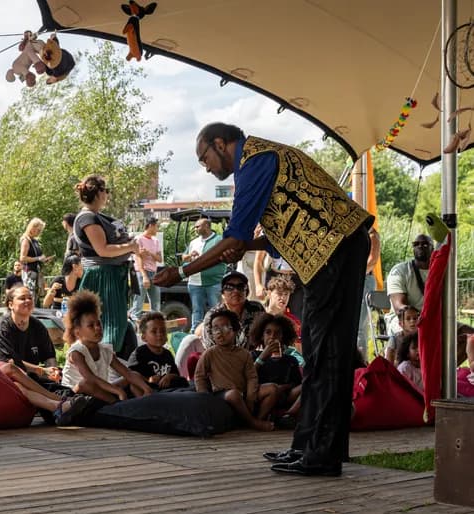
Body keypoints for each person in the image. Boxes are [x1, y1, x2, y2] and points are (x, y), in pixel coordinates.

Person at [155, 122, 373, 476]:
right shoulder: (261, 159)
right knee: (319, 353)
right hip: (333, 251)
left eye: (203, 157)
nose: (205, 166)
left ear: (221, 143)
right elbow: (260, 239)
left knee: (327, 353)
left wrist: (181, 272)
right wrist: (239, 245)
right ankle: (309, 447)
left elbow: (235, 237)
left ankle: (322, 454)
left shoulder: (256, 160)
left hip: (334, 250)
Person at [73, 175, 141, 357]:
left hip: (112, 275)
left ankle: (115, 366)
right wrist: (130, 247)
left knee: (117, 325)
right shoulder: (86, 218)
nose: (108, 195)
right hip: (102, 277)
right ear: (99, 192)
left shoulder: (97, 216)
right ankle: (105, 368)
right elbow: (102, 250)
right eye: (106, 191)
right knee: (108, 327)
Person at [60, 290, 152, 403]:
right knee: (85, 384)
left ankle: (145, 401)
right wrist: (118, 391)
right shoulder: (76, 352)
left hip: (100, 390)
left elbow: (127, 373)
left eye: (98, 323)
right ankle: (115, 405)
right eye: (91, 326)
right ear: (78, 332)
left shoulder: (105, 350)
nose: (97, 328)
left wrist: (146, 388)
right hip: (74, 395)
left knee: (132, 376)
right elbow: (90, 378)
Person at [194, 310, 276, 431]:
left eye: (224, 327)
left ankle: (255, 418)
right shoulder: (210, 353)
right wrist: (205, 397)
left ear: (235, 330)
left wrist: (250, 397)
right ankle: (253, 423)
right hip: (223, 394)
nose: (219, 332)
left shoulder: (244, 354)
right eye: (215, 328)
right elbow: (199, 376)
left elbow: (251, 377)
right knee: (233, 394)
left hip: (244, 393)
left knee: (272, 389)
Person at [0, 285, 61, 385]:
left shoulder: (38, 326)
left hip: (26, 377)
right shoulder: (2, 328)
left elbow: (49, 356)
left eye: (30, 298)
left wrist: (53, 373)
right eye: (22, 298)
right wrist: (41, 370)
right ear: (11, 305)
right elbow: (6, 364)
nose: (27, 301)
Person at [249, 313, 303, 428]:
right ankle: (257, 421)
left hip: (286, 395)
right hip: (263, 394)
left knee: (309, 384)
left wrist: (284, 387)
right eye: (268, 332)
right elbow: (248, 377)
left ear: (283, 336)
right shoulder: (253, 355)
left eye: (277, 333)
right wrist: (263, 357)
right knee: (273, 388)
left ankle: (288, 416)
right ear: (261, 335)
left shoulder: (290, 360)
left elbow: (296, 383)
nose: (272, 336)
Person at [199, 271, 265, 349]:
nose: (235, 291)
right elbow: (210, 346)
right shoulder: (213, 315)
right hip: (222, 357)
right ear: (223, 293)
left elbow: (265, 337)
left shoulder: (257, 309)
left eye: (240, 287)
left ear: (246, 292)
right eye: (229, 287)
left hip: (253, 358)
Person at [127, 312, 187, 390]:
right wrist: (148, 380)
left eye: (163, 331)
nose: (159, 334)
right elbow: (131, 377)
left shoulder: (167, 354)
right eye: (154, 331)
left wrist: (169, 376)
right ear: (144, 337)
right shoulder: (138, 354)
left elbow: (176, 375)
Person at [183, 217, 225, 329]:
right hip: (195, 282)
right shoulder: (193, 242)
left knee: (216, 310)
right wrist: (189, 255)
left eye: (198, 226)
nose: (195, 228)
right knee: (197, 310)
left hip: (213, 282)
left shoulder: (218, 240)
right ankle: (195, 333)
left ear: (206, 226)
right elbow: (184, 257)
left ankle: (218, 331)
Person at [386, 234, 431, 334]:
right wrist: (419, 318)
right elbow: (399, 308)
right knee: (414, 330)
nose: (420, 246)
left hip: (431, 319)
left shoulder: (441, 270)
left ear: (433, 248)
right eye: (416, 244)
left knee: (466, 333)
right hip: (404, 319)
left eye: (425, 244)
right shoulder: (399, 271)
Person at [129, 217, 163, 321]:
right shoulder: (139, 239)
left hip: (153, 273)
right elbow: (138, 258)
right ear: (151, 226)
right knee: (138, 303)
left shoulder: (156, 241)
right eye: (156, 227)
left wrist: (149, 253)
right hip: (141, 273)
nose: (157, 229)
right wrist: (144, 276)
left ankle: (154, 325)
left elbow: (160, 259)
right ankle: (134, 329)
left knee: (156, 304)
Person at [357, 227, 381, 358]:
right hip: (353, 281)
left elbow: (372, 261)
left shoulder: (372, 234)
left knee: (359, 327)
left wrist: (353, 275)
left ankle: (361, 363)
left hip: (364, 279)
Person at [19, 217, 53, 305]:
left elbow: (37, 257)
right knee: (30, 296)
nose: (39, 232)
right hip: (29, 272)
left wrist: (44, 260)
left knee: (37, 297)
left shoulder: (35, 241)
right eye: (38, 230)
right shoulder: (26, 240)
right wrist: (38, 258)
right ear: (32, 228)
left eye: (40, 230)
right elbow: (22, 258)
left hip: (37, 272)